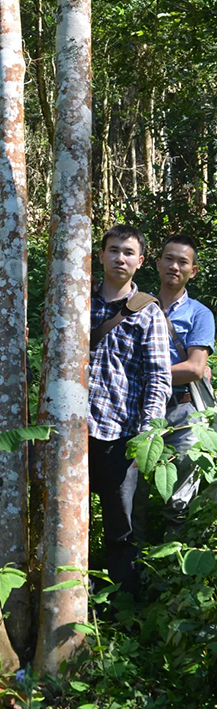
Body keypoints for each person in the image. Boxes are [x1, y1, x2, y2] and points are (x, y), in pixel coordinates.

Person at [89, 225, 171, 599]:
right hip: (71, 432)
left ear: (139, 262)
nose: (119, 258)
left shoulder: (148, 312)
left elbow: (158, 377)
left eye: (127, 252)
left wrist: (148, 431)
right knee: (64, 520)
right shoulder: (78, 299)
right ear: (101, 255)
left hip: (120, 434)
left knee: (121, 527)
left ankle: (122, 611)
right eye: (113, 250)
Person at [155, 234, 214, 532]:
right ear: (157, 263)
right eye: (169, 259)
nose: (174, 266)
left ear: (193, 270)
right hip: (141, 410)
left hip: (184, 411)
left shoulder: (200, 313)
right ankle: (132, 571)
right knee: (132, 497)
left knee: (179, 502)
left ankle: (174, 575)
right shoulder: (138, 307)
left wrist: (144, 373)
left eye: (183, 262)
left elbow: (194, 368)